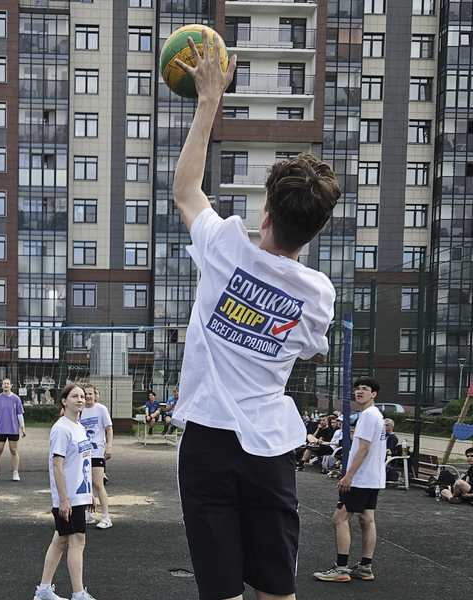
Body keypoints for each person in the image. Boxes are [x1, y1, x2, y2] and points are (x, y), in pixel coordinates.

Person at [170, 29, 340, 600]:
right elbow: (310, 348)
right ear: (314, 231)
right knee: (277, 592)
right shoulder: (317, 293)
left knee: (221, 594)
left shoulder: (226, 247)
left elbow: (186, 189)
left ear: (264, 213)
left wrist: (210, 98)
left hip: (209, 444)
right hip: (269, 447)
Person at [314, 377, 386, 582]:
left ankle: (341, 568)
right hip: (373, 478)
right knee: (366, 519)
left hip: (361, 479)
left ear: (374, 394)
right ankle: (364, 566)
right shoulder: (376, 415)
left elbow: (363, 449)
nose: (359, 392)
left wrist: (349, 476)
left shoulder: (367, 416)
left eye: (365, 389)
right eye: (357, 389)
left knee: (340, 519)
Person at [33, 383, 96, 600]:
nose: (80, 399)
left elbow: (82, 464)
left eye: (82, 396)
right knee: (77, 539)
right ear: (64, 401)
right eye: (75, 396)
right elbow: (57, 466)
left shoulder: (78, 426)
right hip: (67, 496)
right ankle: (78, 594)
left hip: (79, 495)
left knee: (60, 540)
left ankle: (43, 590)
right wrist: (63, 500)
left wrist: (90, 495)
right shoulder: (61, 429)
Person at [79, 384, 113, 529]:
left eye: (90, 394)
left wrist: (109, 446)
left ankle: (106, 516)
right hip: (82, 452)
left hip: (97, 451)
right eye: (85, 394)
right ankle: (90, 513)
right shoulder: (80, 411)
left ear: (95, 395)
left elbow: (109, 428)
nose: (87, 396)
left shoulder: (101, 409)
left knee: (98, 484)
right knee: (86, 484)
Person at [0, 378, 26, 481]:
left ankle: (15, 473)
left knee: (14, 450)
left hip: (13, 429)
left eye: (7, 384)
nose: (6, 385)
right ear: (2, 386)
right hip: (1, 428)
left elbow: (19, 414)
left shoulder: (16, 399)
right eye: (4, 384)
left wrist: (22, 427)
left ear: (11, 385)